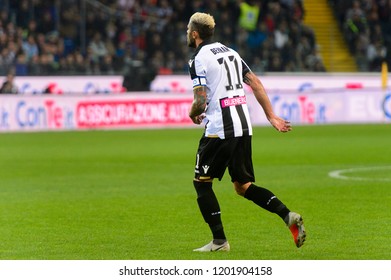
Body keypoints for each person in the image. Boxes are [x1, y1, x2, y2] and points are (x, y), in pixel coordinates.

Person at [186, 12, 306, 252]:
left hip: (220, 129)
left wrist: (193, 114)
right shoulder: (231, 52)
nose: (187, 33)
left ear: (195, 34)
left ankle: (219, 242)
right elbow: (256, 84)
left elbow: (199, 100)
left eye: (188, 29)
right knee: (243, 186)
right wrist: (271, 116)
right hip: (242, 125)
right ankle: (287, 215)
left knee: (202, 183)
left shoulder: (198, 58)